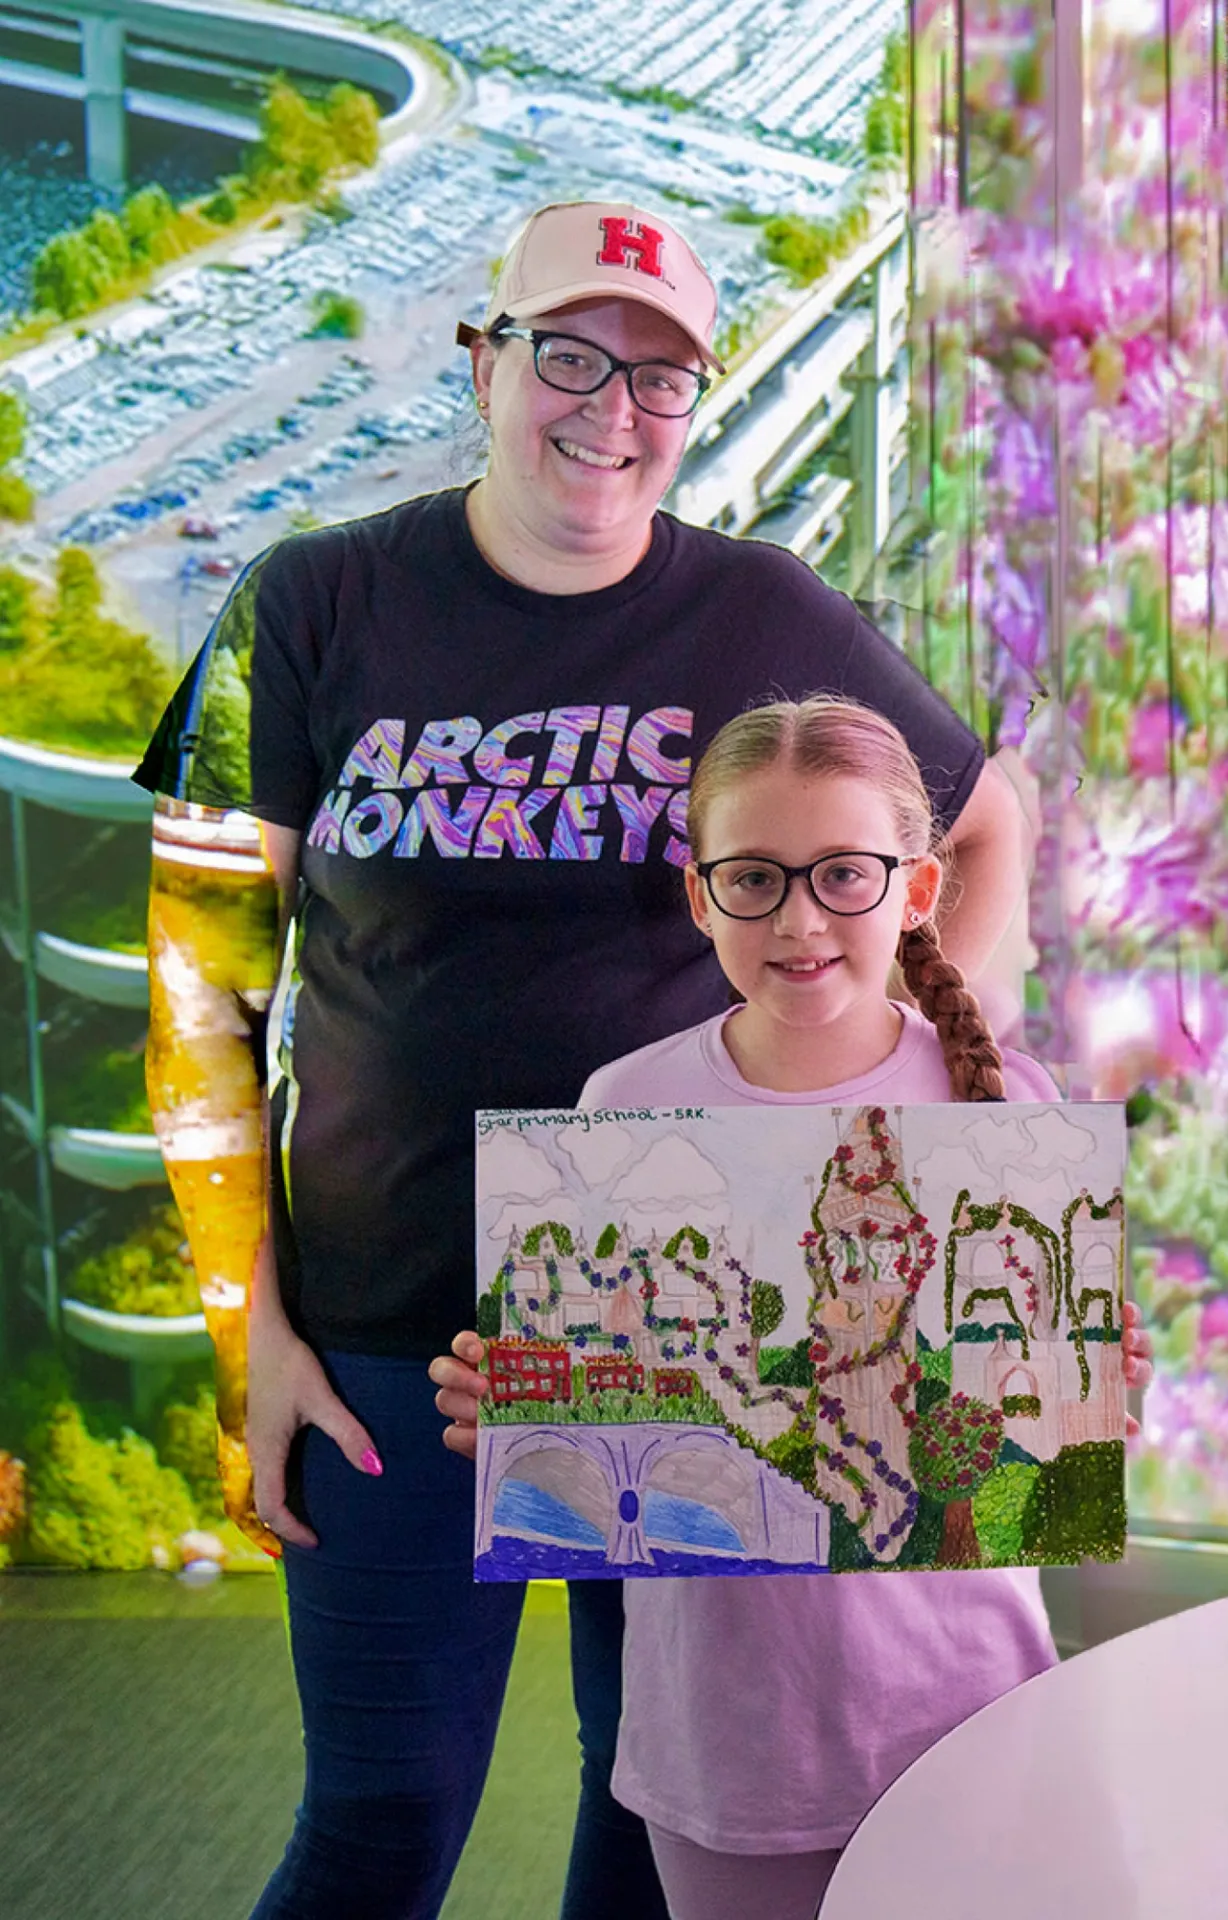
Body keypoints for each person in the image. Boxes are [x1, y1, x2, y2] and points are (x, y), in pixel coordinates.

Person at [135, 201, 1028, 1920]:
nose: (610, 410)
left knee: (656, 1815)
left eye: (660, 377)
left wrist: (901, 1096)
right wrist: (252, 1333)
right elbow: (198, 997)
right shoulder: (305, 603)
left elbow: (987, 828)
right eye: (567, 356)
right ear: (484, 363)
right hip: (384, 1327)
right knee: (380, 1825)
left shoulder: (757, 610)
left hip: (684, 1321)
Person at [431, 698, 1153, 1920]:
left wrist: (1106, 1380)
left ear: (918, 889)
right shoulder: (625, 1106)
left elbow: (1049, 1456)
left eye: (844, 875)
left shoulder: (1007, 1105)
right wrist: (520, 1418)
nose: (800, 919)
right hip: (729, 1740)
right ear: (700, 896)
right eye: (756, 878)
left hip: (970, 1708)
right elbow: (606, 1433)